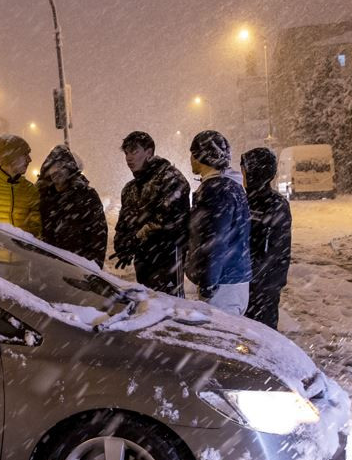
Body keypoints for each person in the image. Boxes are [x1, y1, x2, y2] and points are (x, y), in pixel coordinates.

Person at [112, 131, 190, 297]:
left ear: (149, 152)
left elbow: (166, 221)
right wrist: (123, 244)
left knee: (169, 309)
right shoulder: (130, 188)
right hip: (143, 262)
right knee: (147, 306)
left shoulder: (170, 178)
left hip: (167, 259)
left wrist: (137, 237)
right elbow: (124, 222)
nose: (128, 158)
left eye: (134, 151)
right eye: (126, 153)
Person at [186, 130, 252, 315]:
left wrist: (208, 283)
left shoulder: (214, 191)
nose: (190, 159)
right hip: (235, 278)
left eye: (192, 154)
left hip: (222, 286)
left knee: (218, 340)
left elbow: (214, 241)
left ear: (201, 156)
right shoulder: (232, 186)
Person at [241, 148, 292, 329]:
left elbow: (272, 251)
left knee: (261, 333)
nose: (243, 174)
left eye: (245, 169)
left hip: (264, 286)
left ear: (256, 171)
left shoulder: (274, 204)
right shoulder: (245, 199)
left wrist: (250, 275)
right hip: (249, 283)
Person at [36, 144, 107, 267]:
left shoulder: (86, 195)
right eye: (52, 167)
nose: (56, 171)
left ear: (70, 169)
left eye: (61, 166)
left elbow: (98, 236)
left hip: (78, 268)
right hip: (50, 268)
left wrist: (93, 269)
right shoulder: (45, 197)